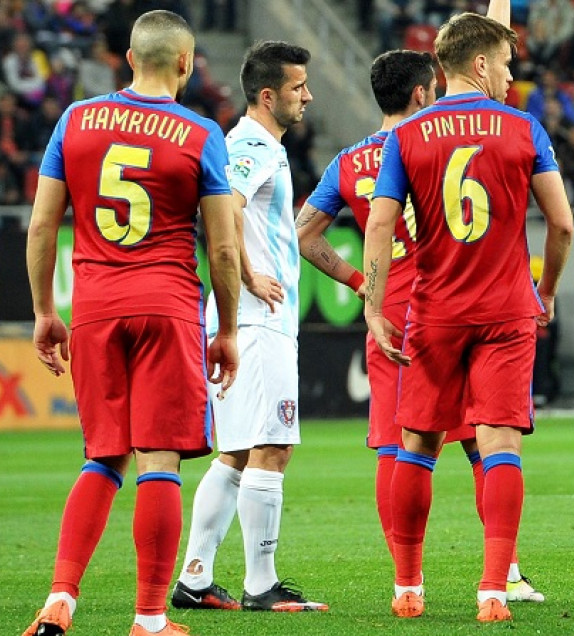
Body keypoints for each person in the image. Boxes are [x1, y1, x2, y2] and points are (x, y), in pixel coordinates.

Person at [294, 45, 545, 605]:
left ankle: (405, 578)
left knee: (398, 447)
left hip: (392, 314)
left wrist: (363, 286)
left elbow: (304, 233)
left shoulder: (349, 160)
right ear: (421, 91)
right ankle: (503, 574)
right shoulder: (442, 137)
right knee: (488, 444)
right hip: (458, 299)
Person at [22, 10, 240, 636]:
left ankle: (61, 598)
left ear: (127, 57)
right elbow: (223, 249)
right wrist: (225, 329)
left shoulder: (76, 120)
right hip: (167, 309)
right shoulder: (200, 133)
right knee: (159, 462)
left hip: (93, 310)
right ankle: (149, 618)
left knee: (102, 458)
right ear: (185, 63)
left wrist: (44, 312)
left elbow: (41, 228)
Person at [363, 7, 574, 623]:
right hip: (507, 309)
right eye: (506, 65)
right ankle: (491, 589)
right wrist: (548, 290)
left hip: (434, 311)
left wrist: (377, 307)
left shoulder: (405, 136)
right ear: (480, 65)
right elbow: (561, 223)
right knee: (500, 443)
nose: (511, 77)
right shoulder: (523, 128)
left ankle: (408, 586)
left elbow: (379, 223)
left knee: (417, 445)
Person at [172, 41, 328, 613]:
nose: (307, 95)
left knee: (236, 451)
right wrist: (251, 270)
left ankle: (194, 577)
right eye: (298, 87)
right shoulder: (250, 144)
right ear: (269, 96)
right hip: (258, 320)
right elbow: (224, 207)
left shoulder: (256, 145)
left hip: (251, 318)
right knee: (273, 446)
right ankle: (261, 585)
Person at [530, 255, 561, 408]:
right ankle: (541, 396)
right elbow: (554, 323)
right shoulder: (549, 292)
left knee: (533, 368)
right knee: (543, 367)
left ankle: (533, 397)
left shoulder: (527, 290)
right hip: (543, 338)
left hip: (528, 337)